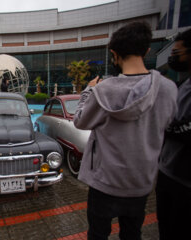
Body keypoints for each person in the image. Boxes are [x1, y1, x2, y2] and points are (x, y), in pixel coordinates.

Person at [73, 22, 178, 240]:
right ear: (147, 51)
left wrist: (89, 90)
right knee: (132, 234)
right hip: (140, 183)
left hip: (104, 182)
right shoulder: (168, 89)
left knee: (98, 234)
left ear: (114, 53)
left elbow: (80, 121)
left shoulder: (103, 90)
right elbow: (168, 124)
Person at [156, 28, 191, 240]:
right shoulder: (184, 84)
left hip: (185, 180)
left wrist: (162, 123)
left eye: (177, 53)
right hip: (169, 172)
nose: (173, 57)